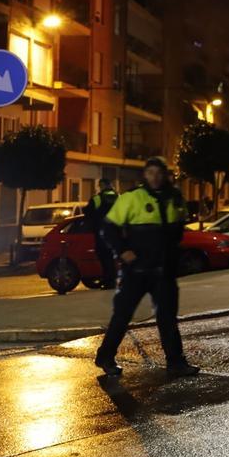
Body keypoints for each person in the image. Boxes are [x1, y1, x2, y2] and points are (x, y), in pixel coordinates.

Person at [94, 156, 200, 378]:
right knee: (122, 315)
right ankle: (105, 356)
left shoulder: (175, 199)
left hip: (164, 271)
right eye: (150, 172)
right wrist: (123, 251)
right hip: (136, 270)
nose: (155, 177)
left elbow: (178, 230)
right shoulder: (132, 199)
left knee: (168, 318)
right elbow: (108, 229)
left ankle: (176, 362)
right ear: (145, 175)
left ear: (165, 175)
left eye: (159, 173)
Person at [83, 178, 118, 287]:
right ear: (111, 185)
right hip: (116, 231)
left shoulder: (97, 198)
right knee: (113, 256)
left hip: (101, 232)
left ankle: (108, 280)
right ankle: (111, 279)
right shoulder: (119, 197)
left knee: (104, 256)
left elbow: (87, 212)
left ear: (101, 185)